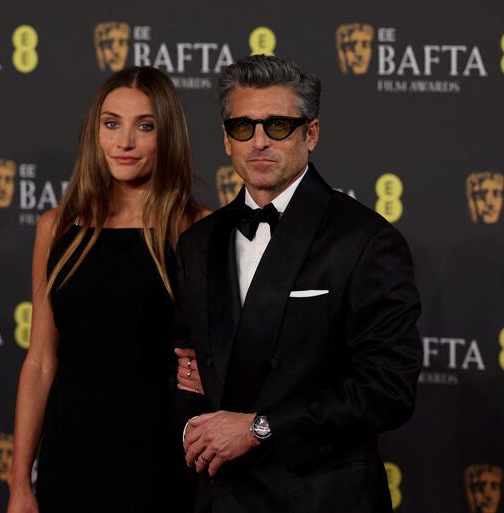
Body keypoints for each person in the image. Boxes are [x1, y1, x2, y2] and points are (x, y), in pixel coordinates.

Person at [173, 55, 423, 512]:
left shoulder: (365, 240)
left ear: (311, 134)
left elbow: (388, 388)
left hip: (323, 498)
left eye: (278, 126)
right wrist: (193, 427)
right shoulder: (198, 243)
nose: (259, 142)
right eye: (243, 127)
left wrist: (259, 428)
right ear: (226, 140)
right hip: (223, 496)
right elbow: (184, 366)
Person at [7, 66, 208, 513]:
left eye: (145, 126)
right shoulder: (56, 228)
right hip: (70, 455)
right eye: (112, 123)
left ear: (168, 135)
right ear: (94, 133)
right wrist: (19, 482)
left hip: (160, 457)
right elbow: (40, 362)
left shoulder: (198, 229)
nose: (125, 142)